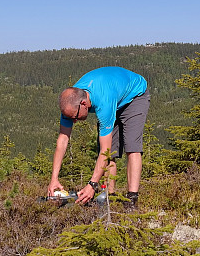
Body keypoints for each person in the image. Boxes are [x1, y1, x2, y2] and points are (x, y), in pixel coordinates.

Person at [48, 66, 150, 206]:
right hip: (114, 94)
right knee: (111, 151)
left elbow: (105, 151)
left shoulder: (103, 102)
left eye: (75, 117)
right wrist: (54, 178)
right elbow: (63, 139)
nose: (74, 121)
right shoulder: (71, 103)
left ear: (84, 104)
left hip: (135, 96)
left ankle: (131, 200)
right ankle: (109, 197)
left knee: (131, 147)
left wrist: (92, 185)